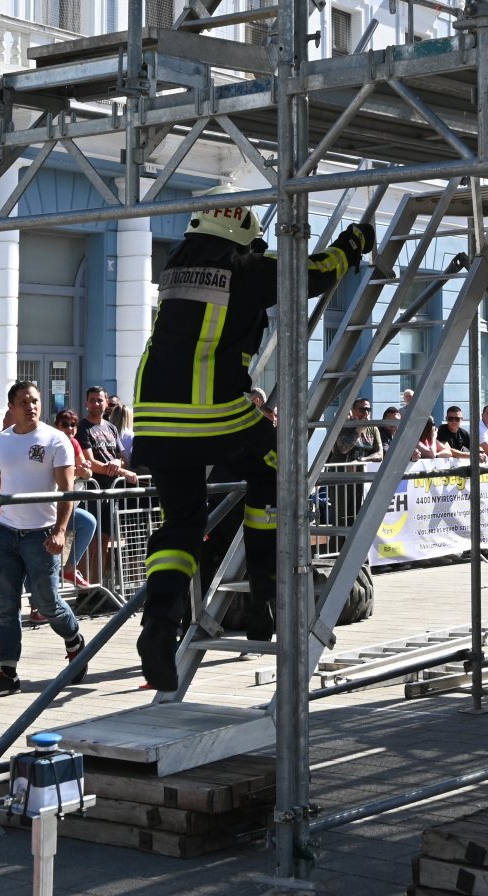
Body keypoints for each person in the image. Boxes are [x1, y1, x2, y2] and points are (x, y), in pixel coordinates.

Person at [131, 191, 373, 689]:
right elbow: (317, 272)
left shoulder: (175, 267)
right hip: (214, 413)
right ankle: (266, 584)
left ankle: (158, 625)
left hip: (154, 420)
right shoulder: (246, 268)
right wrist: (356, 241)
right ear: (243, 234)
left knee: (180, 527)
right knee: (274, 460)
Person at [0, 381, 96, 697]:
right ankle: (8, 672)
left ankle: (74, 640)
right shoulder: (0, 442)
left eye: (34, 400)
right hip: (7, 535)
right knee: (5, 608)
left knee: (47, 603)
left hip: (42, 535)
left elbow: (67, 491)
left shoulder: (55, 439)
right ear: (11, 406)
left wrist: (61, 530)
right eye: (24, 401)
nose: (31, 406)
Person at [333, 397, 382, 465]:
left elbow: (380, 454)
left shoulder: (373, 429)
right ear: (353, 411)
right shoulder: (344, 426)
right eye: (362, 410)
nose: (366, 413)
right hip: (342, 472)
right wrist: (359, 429)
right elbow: (343, 449)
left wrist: (363, 460)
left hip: (363, 472)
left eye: (368, 410)